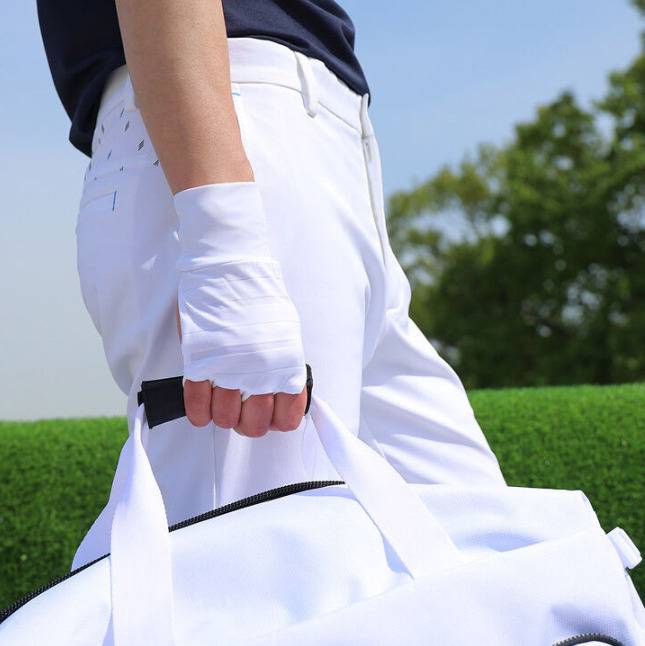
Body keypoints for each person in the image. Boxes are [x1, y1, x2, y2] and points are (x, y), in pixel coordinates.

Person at [36, 0, 507, 558]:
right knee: (251, 570)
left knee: (487, 550)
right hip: (220, 137)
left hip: (323, 149)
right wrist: (223, 236)